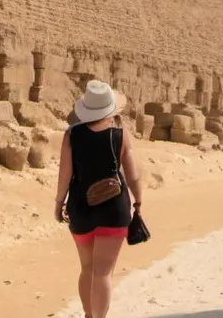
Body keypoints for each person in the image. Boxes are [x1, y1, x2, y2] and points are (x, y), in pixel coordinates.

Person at [55, 80, 141, 318]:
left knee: (88, 268)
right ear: (110, 111)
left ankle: (88, 315)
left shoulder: (71, 135)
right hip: (114, 209)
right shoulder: (120, 136)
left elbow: (64, 175)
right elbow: (133, 177)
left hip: (80, 209)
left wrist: (58, 203)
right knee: (103, 272)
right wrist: (139, 202)